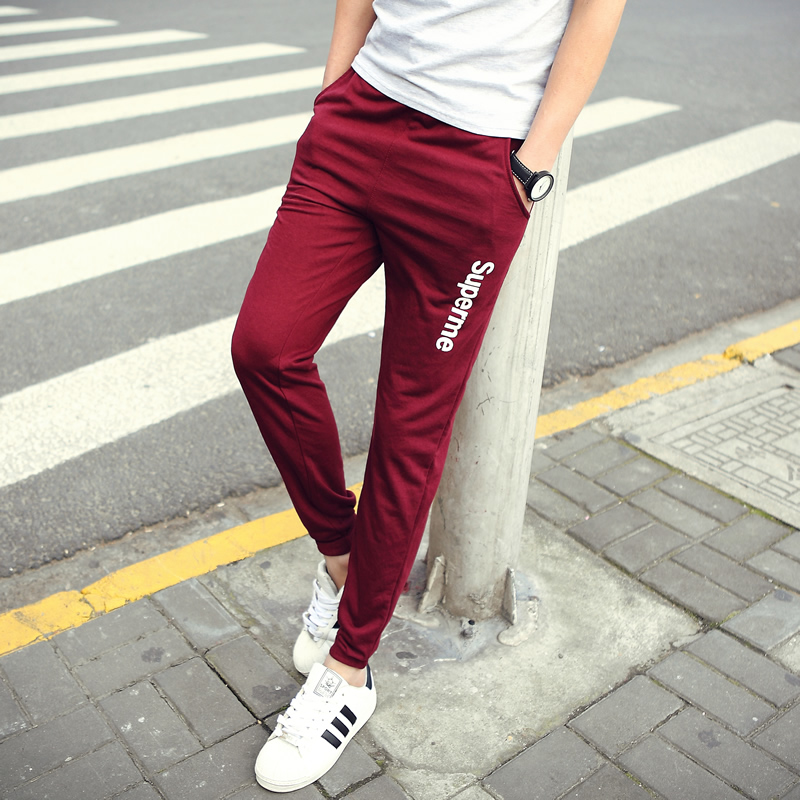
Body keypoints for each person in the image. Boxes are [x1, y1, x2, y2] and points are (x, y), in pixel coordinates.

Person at [231, 0, 627, 791]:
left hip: (476, 163)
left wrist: (532, 162)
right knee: (265, 347)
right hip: (359, 120)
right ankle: (342, 560)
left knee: (409, 425)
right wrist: (333, 91)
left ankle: (349, 669)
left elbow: (596, 12)